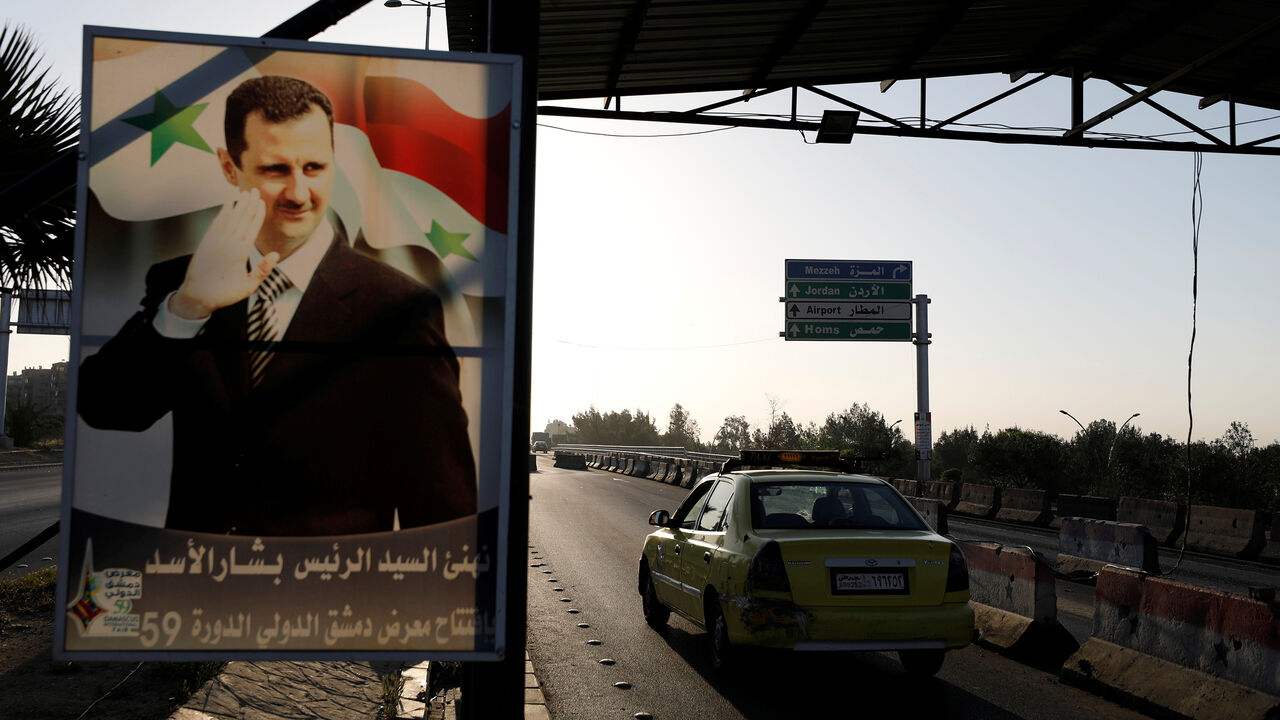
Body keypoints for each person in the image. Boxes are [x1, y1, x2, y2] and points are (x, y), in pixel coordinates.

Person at [78, 75, 477, 536]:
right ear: (230, 167)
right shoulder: (179, 284)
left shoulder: (401, 309)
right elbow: (104, 407)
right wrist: (188, 307)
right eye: (275, 170)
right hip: (194, 594)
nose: (298, 193)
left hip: (334, 600)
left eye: (313, 167)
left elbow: (443, 511)